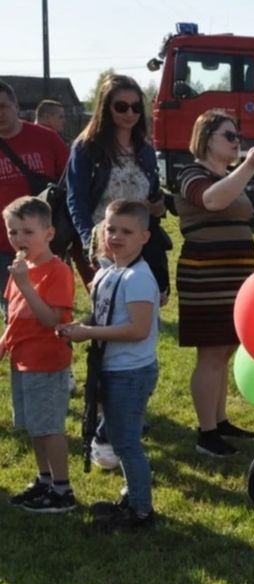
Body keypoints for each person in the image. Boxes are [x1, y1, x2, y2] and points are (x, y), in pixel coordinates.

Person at [56, 200, 160, 530]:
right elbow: (105, 316)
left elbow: (138, 329)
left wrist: (89, 333)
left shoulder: (138, 278)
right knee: (119, 436)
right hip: (112, 367)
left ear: (144, 236)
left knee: (126, 442)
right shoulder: (109, 271)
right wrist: (81, 326)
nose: (115, 236)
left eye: (126, 232)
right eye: (111, 228)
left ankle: (141, 511)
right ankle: (133, 495)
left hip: (130, 372)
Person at [174, 109, 254, 457]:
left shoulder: (231, 175)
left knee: (224, 350)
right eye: (229, 135)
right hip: (206, 275)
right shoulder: (190, 173)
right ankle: (206, 433)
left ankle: (220, 420)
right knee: (211, 353)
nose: (237, 141)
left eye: (237, 135)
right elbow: (212, 199)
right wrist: (250, 166)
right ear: (206, 138)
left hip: (234, 276)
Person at [1, 196, 75, 512]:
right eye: (13, 232)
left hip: (46, 362)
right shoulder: (22, 269)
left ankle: (62, 491)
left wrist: (27, 285)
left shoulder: (55, 271)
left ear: (48, 234)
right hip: (22, 360)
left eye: (28, 232)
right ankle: (44, 480)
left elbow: (51, 320)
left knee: (49, 427)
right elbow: (14, 317)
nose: (19, 239)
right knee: (34, 426)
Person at [66, 74, 171, 297]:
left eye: (136, 107)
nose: (130, 114)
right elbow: (76, 199)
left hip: (140, 244)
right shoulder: (86, 148)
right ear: (106, 108)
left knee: (144, 306)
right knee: (108, 310)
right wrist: (89, 244)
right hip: (104, 243)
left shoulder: (145, 149)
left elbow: (153, 195)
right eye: (121, 107)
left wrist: (158, 206)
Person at [0, 79, 69, 319]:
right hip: (3, 243)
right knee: (15, 312)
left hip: (46, 243)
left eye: (2, 106)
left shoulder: (46, 139)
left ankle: (49, 354)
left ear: (15, 106)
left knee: (50, 311)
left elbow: (69, 181)